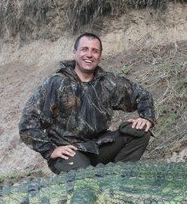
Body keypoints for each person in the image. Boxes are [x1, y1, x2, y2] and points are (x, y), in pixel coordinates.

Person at [19, 33, 156, 174]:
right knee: (87, 179)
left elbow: (142, 95)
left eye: (94, 51)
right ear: (75, 52)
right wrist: (50, 150)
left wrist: (146, 118)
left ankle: (117, 178)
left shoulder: (108, 82)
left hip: (100, 145)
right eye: (84, 49)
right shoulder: (55, 83)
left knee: (140, 132)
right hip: (69, 152)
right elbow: (27, 123)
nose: (89, 55)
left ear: (100, 55)